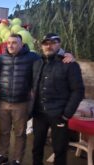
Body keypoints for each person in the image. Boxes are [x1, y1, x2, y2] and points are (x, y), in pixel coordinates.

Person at [0, 33, 74, 165]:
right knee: (4, 131)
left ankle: (17, 159)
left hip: (21, 103)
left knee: (20, 133)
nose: (11, 45)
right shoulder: (2, 58)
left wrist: (67, 55)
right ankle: (3, 155)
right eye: (8, 43)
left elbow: (50, 57)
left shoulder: (32, 57)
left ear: (21, 44)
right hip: (3, 101)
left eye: (14, 42)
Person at [30, 33, 84, 165]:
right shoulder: (37, 63)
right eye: (46, 43)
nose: (49, 46)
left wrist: (67, 114)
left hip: (59, 114)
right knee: (36, 147)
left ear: (59, 44)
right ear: (42, 46)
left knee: (59, 150)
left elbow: (78, 91)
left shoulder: (69, 64)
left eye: (53, 43)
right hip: (39, 113)